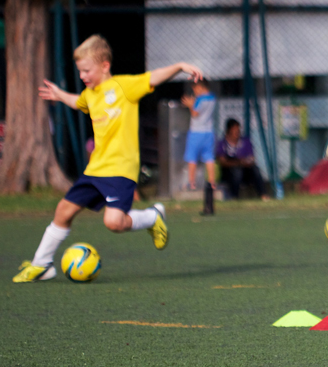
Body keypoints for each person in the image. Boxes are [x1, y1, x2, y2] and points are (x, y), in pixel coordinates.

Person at [14, 35, 199, 282]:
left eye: (87, 70)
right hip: (95, 169)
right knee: (63, 211)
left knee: (114, 223)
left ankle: (152, 217)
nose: (83, 76)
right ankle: (42, 264)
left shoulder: (123, 86)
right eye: (80, 71)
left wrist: (179, 66)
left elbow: (153, 77)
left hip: (120, 170)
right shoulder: (90, 94)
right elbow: (79, 103)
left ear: (104, 66)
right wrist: (60, 95)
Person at [216, 119, 270, 201]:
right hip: (229, 173)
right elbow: (222, 161)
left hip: (245, 171)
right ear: (228, 131)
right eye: (235, 130)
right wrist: (238, 162)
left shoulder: (245, 142)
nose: (237, 132)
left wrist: (244, 162)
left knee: (255, 169)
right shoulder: (222, 144)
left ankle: (263, 195)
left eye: (238, 130)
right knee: (237, 171)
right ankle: (234, 197)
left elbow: (251, 159)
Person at [181, 79, 216, 191]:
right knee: (209, 157)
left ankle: (191, 183)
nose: (194, 91)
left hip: (196, 132)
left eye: (195, 88)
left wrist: (190, 105)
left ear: (200, 87)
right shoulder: (212, 98)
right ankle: (212, 182)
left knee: (192, 157)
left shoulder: (200, 99)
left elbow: (195, 113)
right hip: (209, 132)